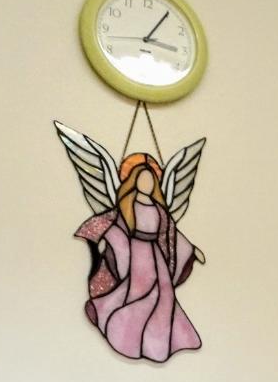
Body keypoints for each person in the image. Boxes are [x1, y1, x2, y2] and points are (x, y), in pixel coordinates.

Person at [74, 152, 205, 362]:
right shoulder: (128, 205)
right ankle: (129, 337)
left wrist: (191, 249)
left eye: (150, 180)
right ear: (134, 181)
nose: (146, 183)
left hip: (156, 257)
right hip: (137, 257)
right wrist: (102, 236)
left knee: (164, 296)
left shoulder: (159, 210)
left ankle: (160, 343)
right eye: (142, 179)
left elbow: (170, 232)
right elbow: (115, 224)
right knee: (137, 295)